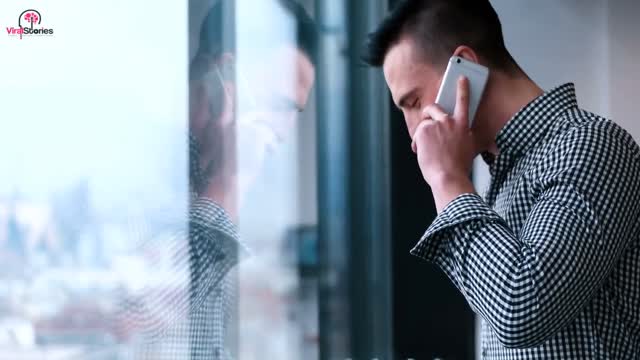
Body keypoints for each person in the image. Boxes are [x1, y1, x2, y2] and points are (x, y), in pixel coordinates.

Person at [364, 0, 640, 358]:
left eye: (413, 102)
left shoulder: (591, 145)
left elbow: (520, 309)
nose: (413, 130)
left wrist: (446, 178)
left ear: (464, 70)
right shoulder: (504, 177)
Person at [115, 0, 318, 359]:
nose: (284, 132)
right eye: (280, 104)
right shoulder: (140, 177)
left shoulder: (213, 181)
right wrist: (228, 185)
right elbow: (140, 321)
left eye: (294, 112)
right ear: (222, 80)